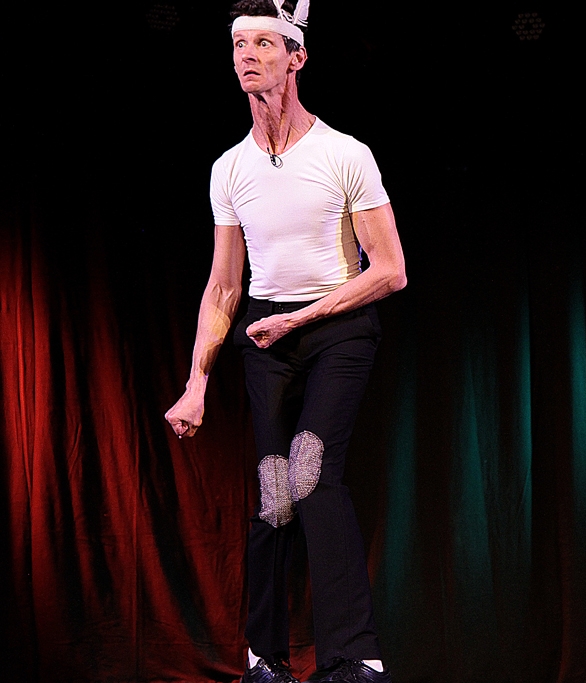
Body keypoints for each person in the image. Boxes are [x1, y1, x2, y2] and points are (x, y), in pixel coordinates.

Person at [164, 1, 405, 681]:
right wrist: (196, 382)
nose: (248, 55)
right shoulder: (230, 169)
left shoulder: (342, 155)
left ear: (296, 57)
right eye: (239, 44)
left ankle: (354, 656)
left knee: (313, 473)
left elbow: (389, 269)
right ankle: (263, 657)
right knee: (275, 491)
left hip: (337, 327)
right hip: (264, 331)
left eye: (264, 43)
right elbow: (223, 288)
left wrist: (299, 321)